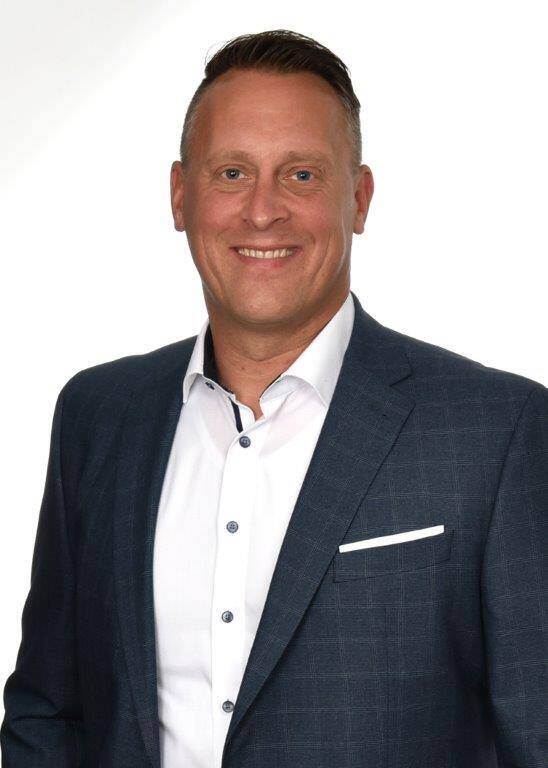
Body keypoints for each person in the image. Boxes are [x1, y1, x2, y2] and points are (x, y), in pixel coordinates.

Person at [1, 28, 546, 768]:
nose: (262, 211)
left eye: (301, 175)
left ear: (358, 198)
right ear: (180, 194)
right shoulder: (98, 417)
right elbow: (47, 712)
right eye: (232, 172)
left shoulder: (495, 432)